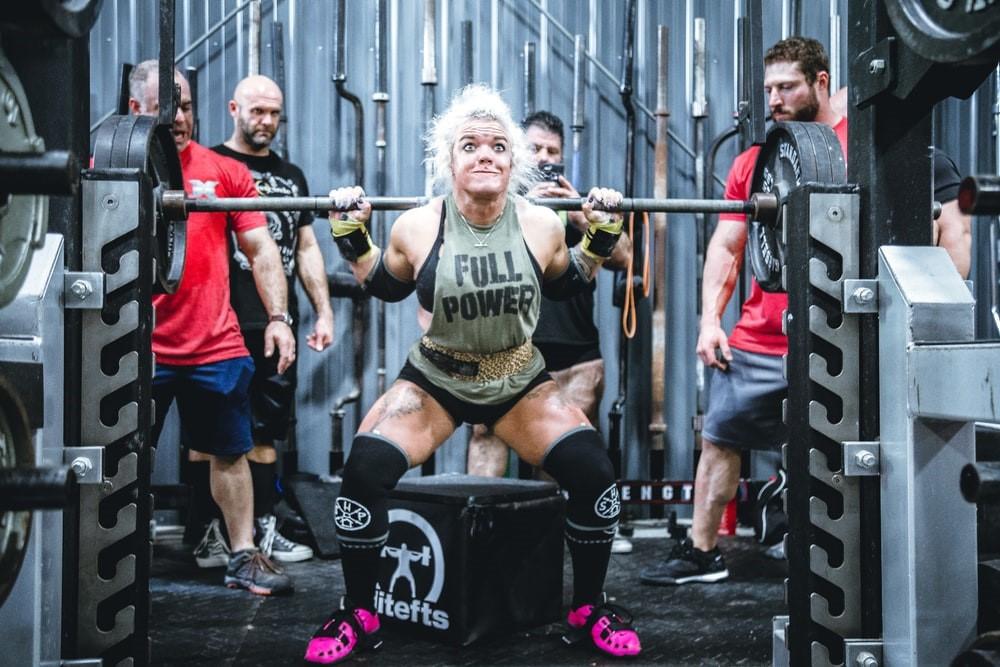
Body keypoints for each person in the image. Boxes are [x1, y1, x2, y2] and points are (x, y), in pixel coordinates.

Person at [303, 84, 641, 663]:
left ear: (514, 162)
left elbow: (570, 281)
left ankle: (588, 606)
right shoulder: (417, 225)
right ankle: (359, 611)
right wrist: (348, 229)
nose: (484, 155)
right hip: (438, 379)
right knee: (364, 469)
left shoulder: (543, 224)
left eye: (497, 146)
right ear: (449, 161)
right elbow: (384, 284)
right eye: (469, 145)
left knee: (592, 473)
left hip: (517, 380)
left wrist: (604, 230)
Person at [639, 37, 846, 586]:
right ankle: (703, 552)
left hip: (841, 333)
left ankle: (842, 563)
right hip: (760, 335)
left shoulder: (857, 147)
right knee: (721, 438)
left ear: (821, 83)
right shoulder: (754, 162)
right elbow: (729, 248)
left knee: (843, 449)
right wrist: (711, 320)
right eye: (769, 88)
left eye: (788, 87)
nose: (774, 99)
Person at [127, 60, 294, 595]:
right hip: (137, 345)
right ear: (136, 109)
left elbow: (261, 247)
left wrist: (278, 318)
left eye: (186, 107)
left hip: (214, 343)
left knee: (230, 453)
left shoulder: (223, 171)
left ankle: (243, 555)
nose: (178, 118)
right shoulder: (110, 167)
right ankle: (110, 560)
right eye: (164, 107)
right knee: (122, 455)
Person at [462, 110, 635, 553]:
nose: (543, 158)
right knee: (485, 435)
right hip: (505, 344)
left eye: (551, 152)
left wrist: (579, 216)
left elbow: (625, 257)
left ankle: (559, 539)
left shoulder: (584, 203)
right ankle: (474, 538)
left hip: (574, 350)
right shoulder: (495, 200)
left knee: (563, 447)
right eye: (535, 149)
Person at [187, 75, 333, 565]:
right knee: (209, 435)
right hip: (217, 321)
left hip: (275, 321)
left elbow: (307, 248)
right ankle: (210, 533)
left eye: (274, 113)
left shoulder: (292, 176)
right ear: (234, 108)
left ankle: (262, 529)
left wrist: (323, 310)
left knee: (267, 431)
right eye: (257, 111)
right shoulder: (207, 165)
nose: (266, 121)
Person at [830, 87, 971, 277]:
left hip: (911, 290)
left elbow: (957, 239)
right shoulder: (848, 167)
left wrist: (938, 302)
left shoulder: (934, 165)